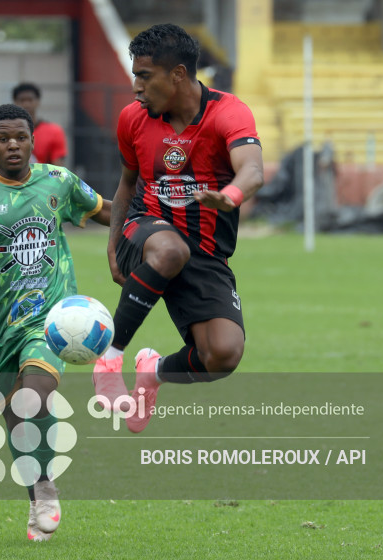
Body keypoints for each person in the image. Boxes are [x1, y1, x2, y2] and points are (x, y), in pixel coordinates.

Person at [0, 103, 111, 541]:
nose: (14, 145)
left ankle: (46, 487)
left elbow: (106, 210)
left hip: (51, 318)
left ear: (33, 140)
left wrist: (149, 224)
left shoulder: (58, 181)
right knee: (17, 421)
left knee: (34, 397)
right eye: (4, 139)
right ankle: (37, 495)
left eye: (21, 138)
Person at [93, 23, 264, 433]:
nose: (135, 87)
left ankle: (153, 372)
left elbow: (253, 170)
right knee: (169, 250)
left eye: (143, 76)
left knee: (222, 356)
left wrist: (232, 196)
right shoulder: (132, 119)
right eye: (135, 75)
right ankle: (110, 357)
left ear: (178, 75)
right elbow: (127, 185)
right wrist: (114, 245)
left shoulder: (228, 112)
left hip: (204, 250)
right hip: (146, 229)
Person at [12, 82, 69, 166]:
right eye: (22, 100)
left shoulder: (54, 131)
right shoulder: (8, 132)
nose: (26, 104)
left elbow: (58, 170)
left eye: (30, 100)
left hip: (45, 178)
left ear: (38, 101)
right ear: (15, 102)